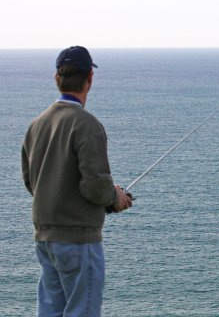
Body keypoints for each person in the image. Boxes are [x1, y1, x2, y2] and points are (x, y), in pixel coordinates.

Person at [21, 46, 132, 316]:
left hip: (45, 238)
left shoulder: (38, 123)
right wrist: (115, 198)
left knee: (50, 311)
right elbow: (95, 185)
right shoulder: (86, 124)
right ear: (89, 80)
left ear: (57, 78)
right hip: (78, 239)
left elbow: (30, 180)